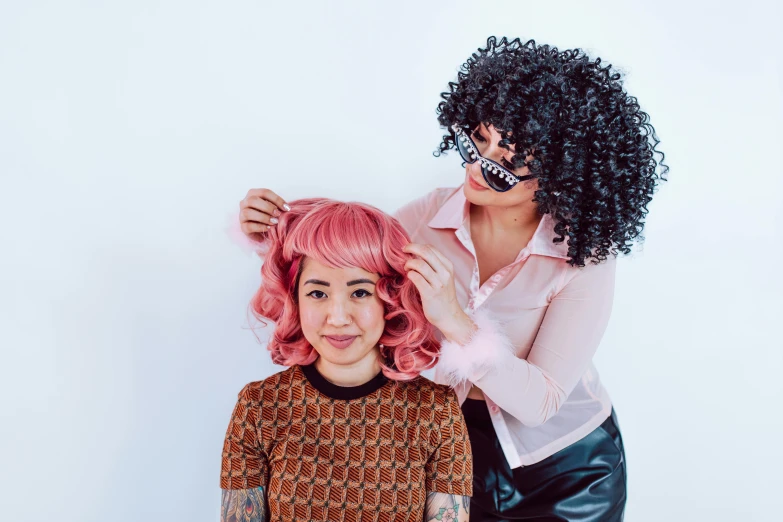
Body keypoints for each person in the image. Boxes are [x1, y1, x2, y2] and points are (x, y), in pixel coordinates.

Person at [236, 37, 668, 521]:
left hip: (569, 468)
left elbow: (541, 402)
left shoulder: (585, 257)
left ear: (562, 176)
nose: (478, 168)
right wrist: (272, 228)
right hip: (453, 447)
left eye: (507, 163)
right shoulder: (423, 219)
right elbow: (342, 266)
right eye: (477, 141)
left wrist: (455, 321)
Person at [220, 198, 473, 522]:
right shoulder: (259, 406)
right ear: (294, 298)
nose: (337, 318)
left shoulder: (436, 411)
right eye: (318, 293)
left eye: (359, 293)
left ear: (390, 299)